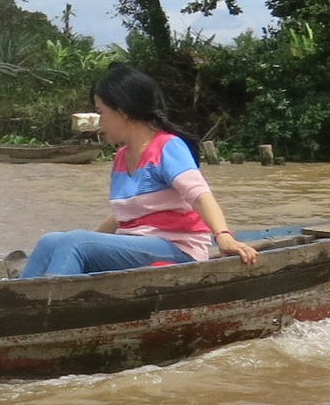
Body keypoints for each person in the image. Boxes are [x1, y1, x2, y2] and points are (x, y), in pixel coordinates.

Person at [22, 64, 259, 278]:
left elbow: (200, 196)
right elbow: (125, 213)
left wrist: (223, 236)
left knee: (73, 242)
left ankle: (48, 313)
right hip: (137, 245)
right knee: (51, 241)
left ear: (123, 112)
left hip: (178, 249)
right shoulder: (122, 157)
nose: (99, 121)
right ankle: (16, 303)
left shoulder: (168, 146)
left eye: (101, 112)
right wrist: (88, 241)